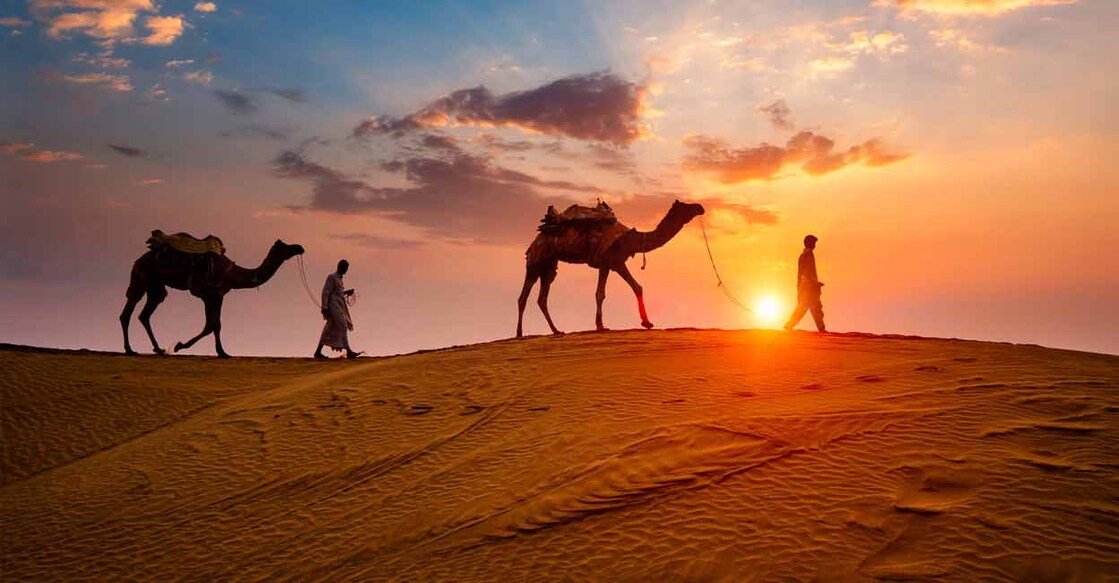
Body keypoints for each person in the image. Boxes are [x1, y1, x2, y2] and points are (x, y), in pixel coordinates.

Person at [314, 259, 363, 358]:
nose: (346, 270)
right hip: (333, 307)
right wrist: (325, 307)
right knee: (343, 326)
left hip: (338, 306)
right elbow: (326, 292)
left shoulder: (339, 279)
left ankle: (318, 352)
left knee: (329, 328)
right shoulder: (332, 277)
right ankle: (349, 351)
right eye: (345, 268)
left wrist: (347, 292)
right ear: (340, 267)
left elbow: (338, 294)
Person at [784, 234, 827, 332]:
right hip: (809, 287)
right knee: (812, 307)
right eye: (813, 243)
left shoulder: (804, 255)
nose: (815, 245)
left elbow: (801, 274)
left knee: (807, 308)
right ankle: (821, 329)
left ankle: (789, 325)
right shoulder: (808, 255)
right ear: (809, 243)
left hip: (807, 286)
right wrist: (814, 284)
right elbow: (807, 273)